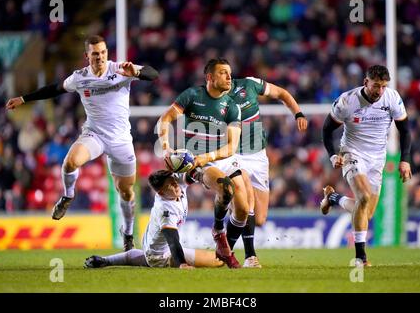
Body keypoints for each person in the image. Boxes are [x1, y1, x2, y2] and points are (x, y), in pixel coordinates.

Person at [5, 35, 159, 251]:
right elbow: (55, 88)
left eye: (103, 52)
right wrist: (24, 99)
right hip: (94, 134)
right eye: (95, 54)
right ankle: (67, 196)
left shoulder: (121, 69)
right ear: (87, 56)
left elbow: (154, 74)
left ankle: (128, 233)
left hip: (120, 139)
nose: (100, 57)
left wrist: (138, 73)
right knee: (70, 162)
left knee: (126, 192)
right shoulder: (79, 77)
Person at [157, 58, 248, 268]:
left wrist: (206, 157)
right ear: (210, 77)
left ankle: (222, 238)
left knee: (242, 210)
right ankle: (219, 233)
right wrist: (165, 148)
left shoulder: (232, 107)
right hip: (200, 163)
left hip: (220, 157)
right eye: (223, 72)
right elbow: (165, 119)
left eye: (230, 73)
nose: (229, 77)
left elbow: (232, 147)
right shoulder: (192, 95)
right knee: (226, 189)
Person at [321, 65, 412, 266]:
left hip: (377, 158)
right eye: (376, 86)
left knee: (366, 212)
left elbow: (405, 130)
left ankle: (332, 197)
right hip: (352, 153)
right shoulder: (347, 101)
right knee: (363, 197)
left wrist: (404, 159)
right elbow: (327, 130)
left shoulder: (392, 98)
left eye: (383, 86)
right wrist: (332, 155)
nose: (379, 91)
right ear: (366, 82)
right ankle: (360, 258)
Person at [228, 77, 308, 268]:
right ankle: (250, 256)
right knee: (247, 205)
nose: (226, 78)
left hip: (259, 157)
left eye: (227, 74)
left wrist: (298, 113)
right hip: (236, 156)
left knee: (260, 219)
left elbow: (282, 93)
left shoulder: (249, 84)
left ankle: (225, 234)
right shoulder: (214, 99)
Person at [84, 169, 224, 269]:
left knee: (146, 255)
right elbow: (173, 242)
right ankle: (108, 261)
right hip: (161, 256)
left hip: (151, 249)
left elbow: (190, 175)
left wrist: (198, 171)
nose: (175, 185)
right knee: (218, 261)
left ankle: (105, 261)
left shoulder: (176, 184)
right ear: (161, 192)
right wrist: (182, 264)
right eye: (170, 185)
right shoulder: (165, 210)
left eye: (173, 181)